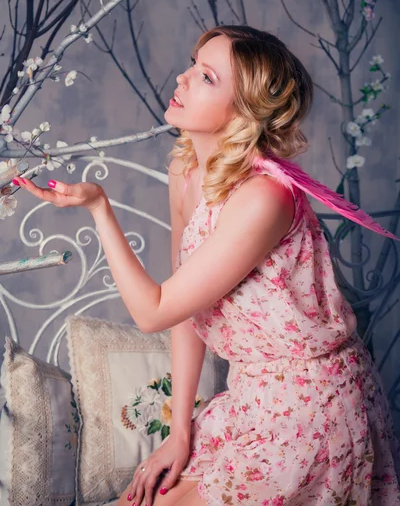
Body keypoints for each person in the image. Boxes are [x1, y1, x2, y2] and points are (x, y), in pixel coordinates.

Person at [14, 25, 400, 506]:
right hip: (248, 400)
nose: (182, 77)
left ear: (243, 112)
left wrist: (99, 209)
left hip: (311, 412)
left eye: (206, 76)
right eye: (193, 64)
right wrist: (179, 431)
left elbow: (152, 311)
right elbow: (180, 308)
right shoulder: (185, 172)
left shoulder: (264, 197)